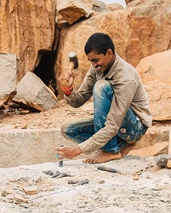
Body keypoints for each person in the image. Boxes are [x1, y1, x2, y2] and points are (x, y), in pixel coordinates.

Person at [55, 32, 152, 164]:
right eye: (91, 61)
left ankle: (110, 151)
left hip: (134, 126)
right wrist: (68, 89)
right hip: (115, 125)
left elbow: (112, 125)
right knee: (68, 130)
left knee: (101, 86)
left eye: (96, 60)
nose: (93, 65)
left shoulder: (125, 77)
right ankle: (118, 145)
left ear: (109, 53)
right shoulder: (97, 68)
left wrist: (78, 150)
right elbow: (79, 100)